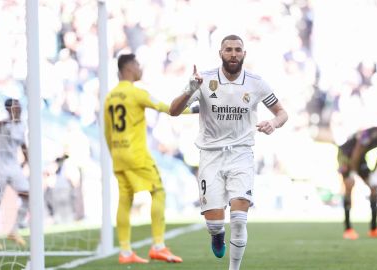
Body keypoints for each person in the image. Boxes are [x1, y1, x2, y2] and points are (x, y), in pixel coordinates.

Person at [169, 34, 288, 270]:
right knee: (214, 224)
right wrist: (190, 88)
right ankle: (216, 234)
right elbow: (173, 110)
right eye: (228, 50)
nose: (233, 54)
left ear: (244, 54)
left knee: (239, 219)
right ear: (220, 53)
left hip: (241, 154)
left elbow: (282, 113)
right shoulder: (203, 79)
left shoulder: (256, 82)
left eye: (237, 50)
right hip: (210, 156)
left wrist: (273, 124)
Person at [104, 53, 189, 264]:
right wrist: (197, 110)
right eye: (137, 64)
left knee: (125, 199)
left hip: (118, 155)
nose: (140, 68)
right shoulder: (136, 93)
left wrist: (114, 154)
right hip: (137, 155)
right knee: (158, 192)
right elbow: (168, 108)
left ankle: (125, 251)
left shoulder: (110, 97)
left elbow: (107, 132)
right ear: (129, 67)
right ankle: (158, 245)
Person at [337, 119, 377, 240]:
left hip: (360, 158)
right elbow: (357, 151)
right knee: (349, 185)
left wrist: (373, 170)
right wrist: (352, 172)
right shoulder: (369, 134)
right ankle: (348, 229)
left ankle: (374, 229)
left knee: (374, 188)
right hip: (346, 155)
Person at [0, 98, 29, 250]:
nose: (18, 110)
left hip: (13, 167)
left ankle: (14, 229)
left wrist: (27, 161)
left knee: (29, 195)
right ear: (9, 110)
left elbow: (23, 144)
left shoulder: (21, 125)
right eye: (15, 108)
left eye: (19, 107)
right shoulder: (3, 125)